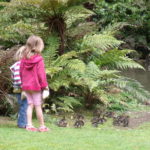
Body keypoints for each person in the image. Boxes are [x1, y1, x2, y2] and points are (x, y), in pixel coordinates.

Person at [20, 35, 49, 132]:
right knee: (37, 106)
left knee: (30, 105)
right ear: (38, 46)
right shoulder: (39, 59)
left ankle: (29, 125)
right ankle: (42, 126)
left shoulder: (24, 59)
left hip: (26, 86)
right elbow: (42, 75)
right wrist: (45, 87)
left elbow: (20, 72)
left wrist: (23, 85)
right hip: (35, 87)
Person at [10, 46, 28, 128]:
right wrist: (24, 87)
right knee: (25, 106)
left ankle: (21, 122)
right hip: (22, 88)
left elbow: (13, 77)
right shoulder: (22, 65)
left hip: (16, 88)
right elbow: (18, 78)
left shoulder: (15, 65)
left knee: (22, 106)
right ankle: (22, 124)